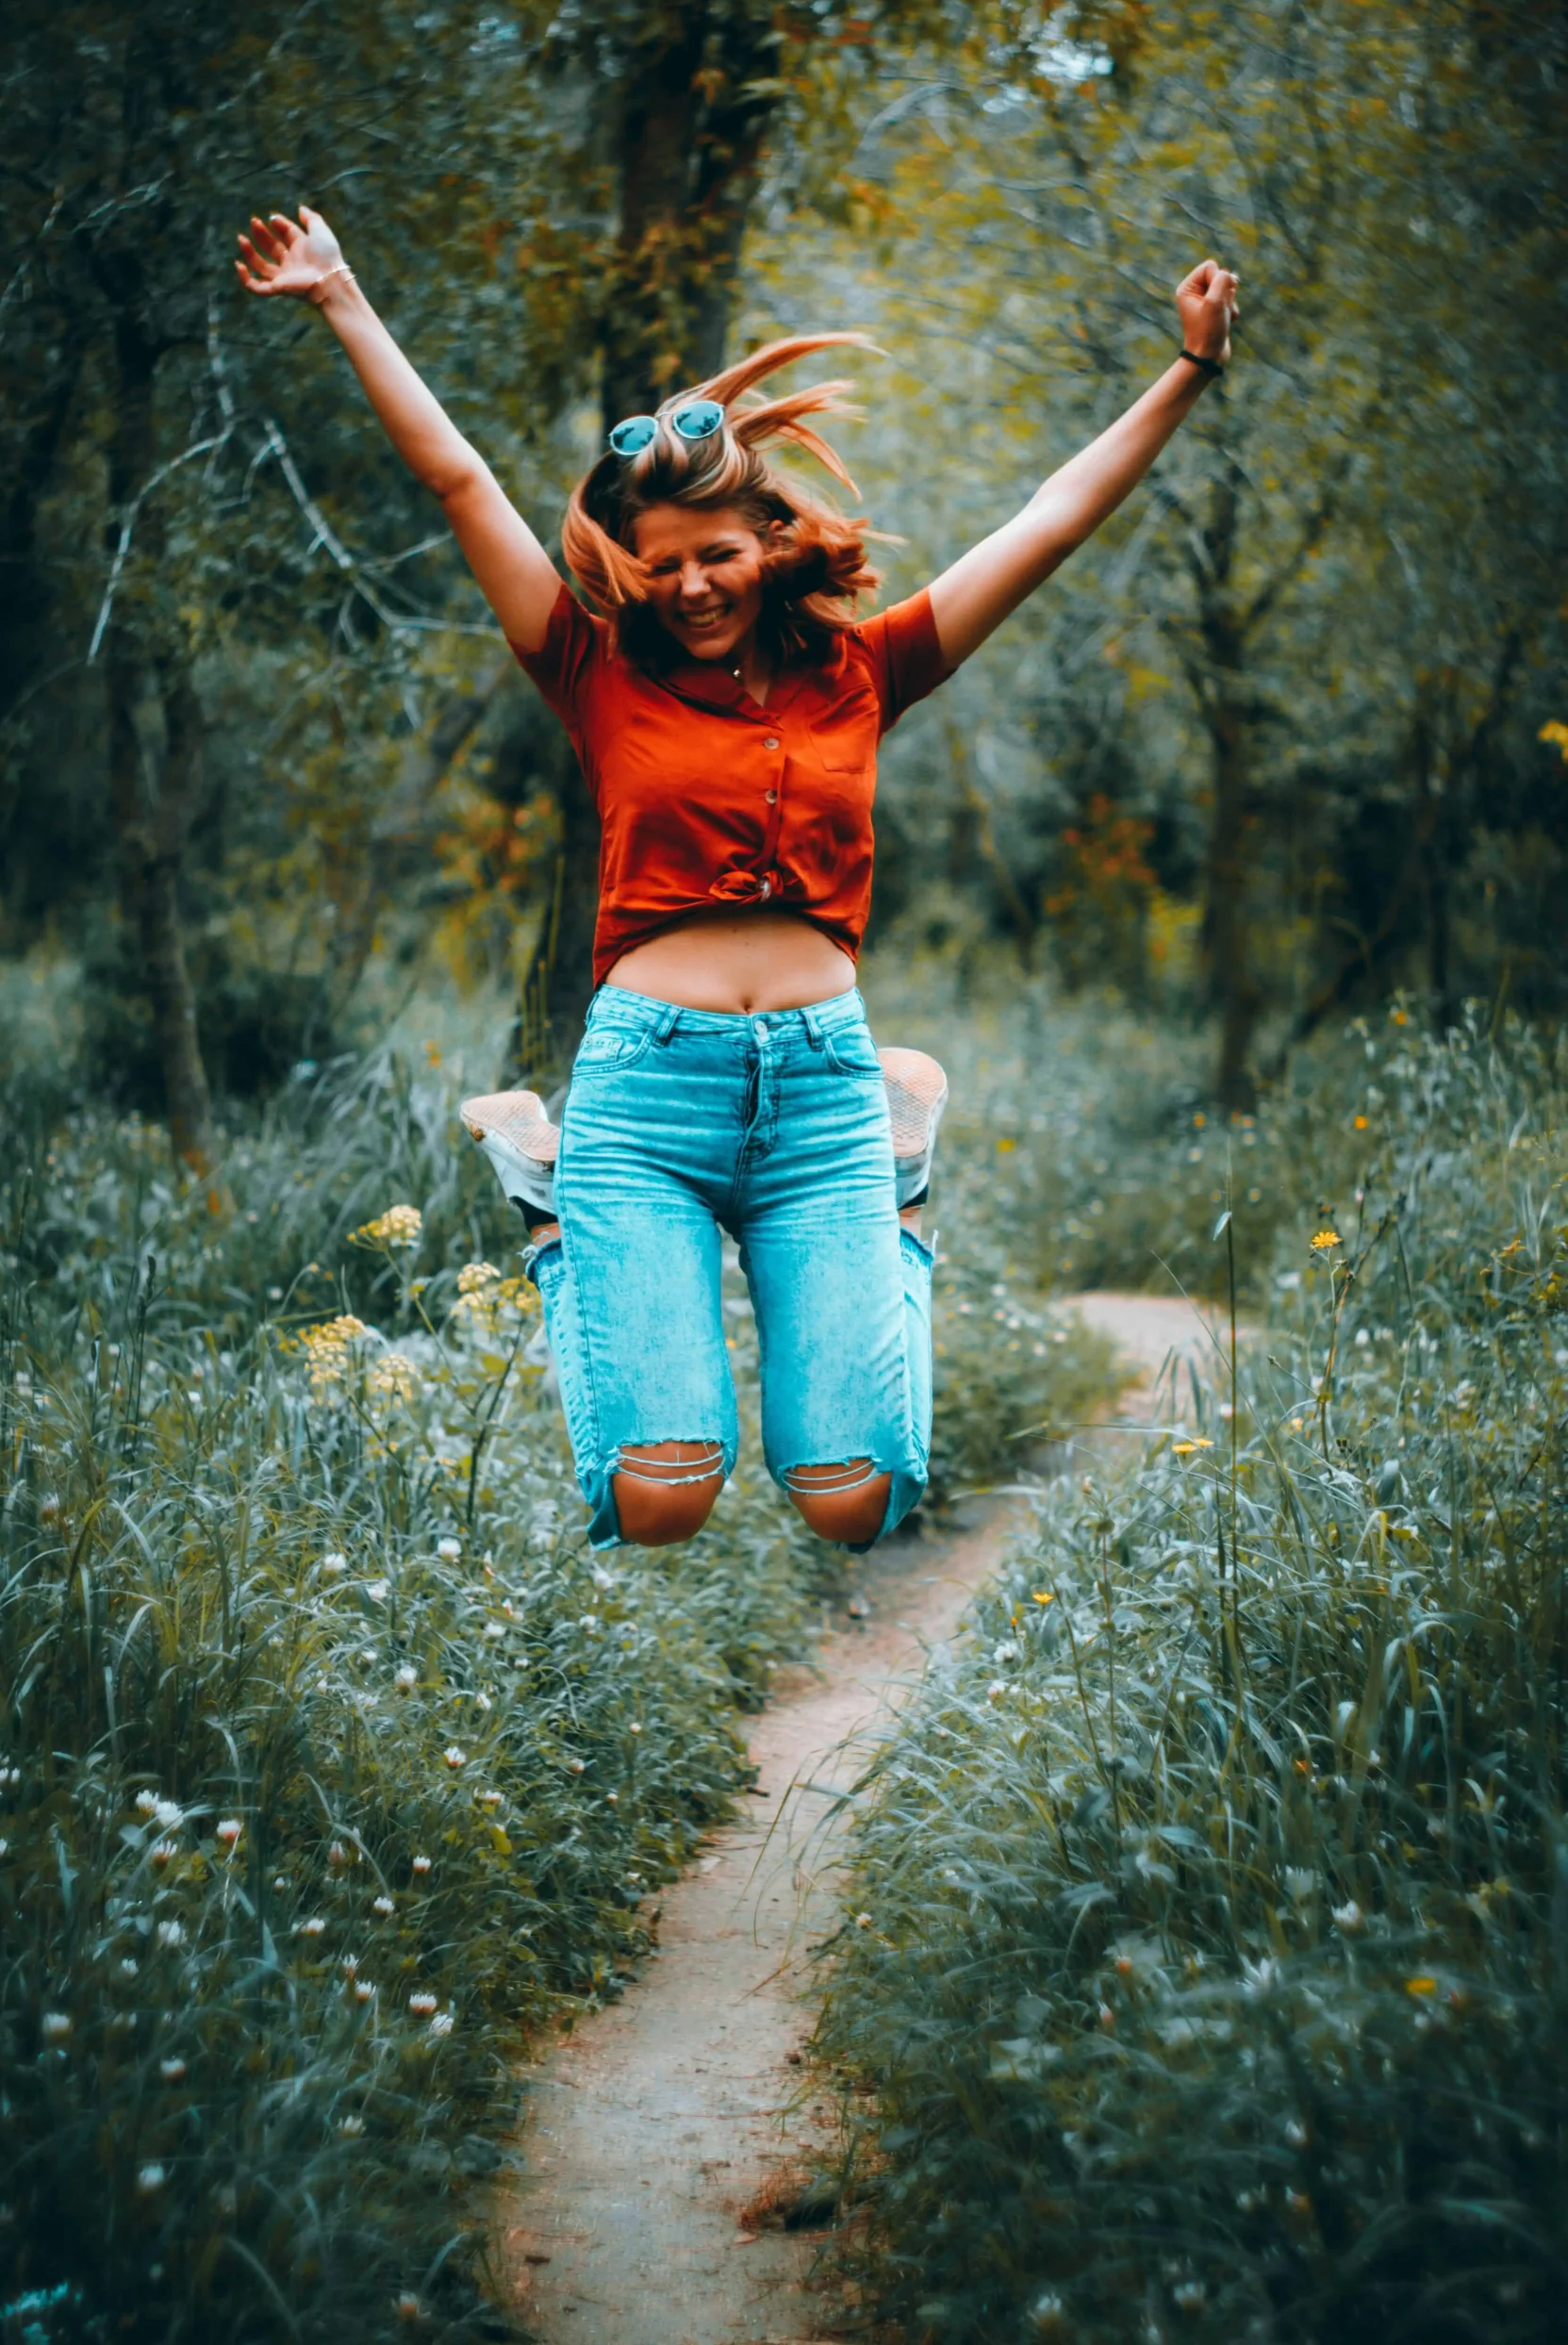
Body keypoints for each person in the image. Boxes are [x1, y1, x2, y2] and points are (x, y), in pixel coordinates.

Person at [236, 206, 1238, 1554]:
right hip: (648, 1090)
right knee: (656, 1504)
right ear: (629, 575)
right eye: (663, 566)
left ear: (771, 536)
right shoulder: (591, 672)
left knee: (855, 1506)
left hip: (824, 1090)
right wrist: (343, 296)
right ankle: (553, 1221)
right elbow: (461, 485)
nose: (696, 583)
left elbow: (1046, 525)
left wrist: (1186, 373)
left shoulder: (864, 670)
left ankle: (901, 1189)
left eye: (720, 551)